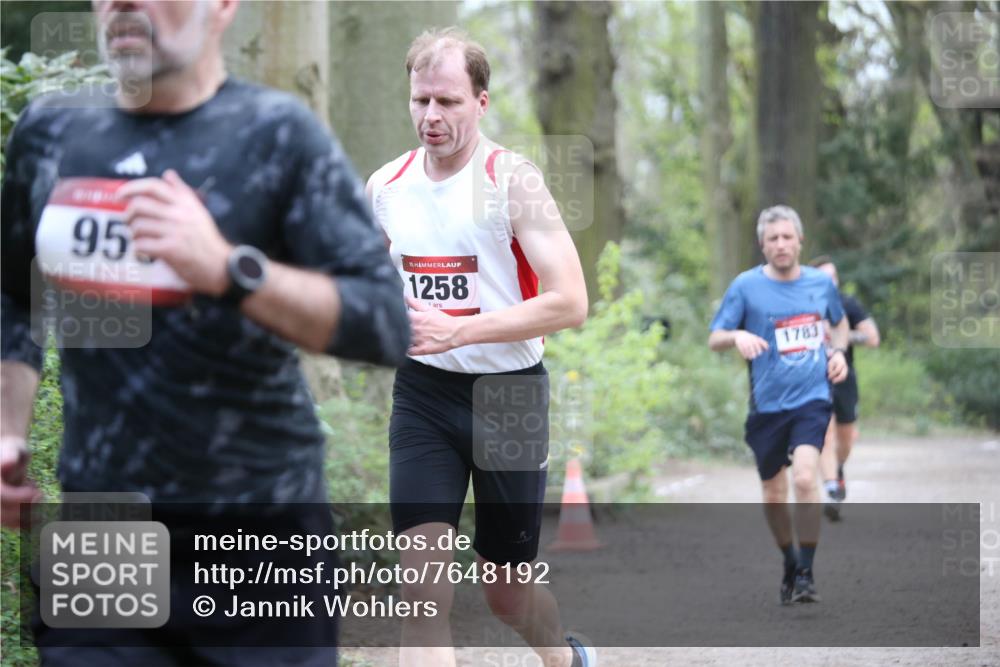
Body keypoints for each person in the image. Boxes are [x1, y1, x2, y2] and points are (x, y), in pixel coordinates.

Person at [1, 1, 409, 664]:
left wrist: (228, 268)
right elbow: (15, 295)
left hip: (259, 538)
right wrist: (7, 432)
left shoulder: (277, 134)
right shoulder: (52, 130)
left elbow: (384, 322)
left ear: (222, 7)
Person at [367, 28, 594, 667]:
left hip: (508, 397)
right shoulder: (385, 186)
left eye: (448, 101)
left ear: (482, 102)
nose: (431, 117)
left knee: (506, 593)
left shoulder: (511, 181)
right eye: (421, 101)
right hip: (424, 396)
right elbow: (369, 283)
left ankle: (563, 658)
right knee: (421, 593)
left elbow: (571, 301)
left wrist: (460, 330)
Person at [708, 205, 849, 605]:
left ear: (800, 240)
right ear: (762, 244)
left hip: (812, 399)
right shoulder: (745, 286)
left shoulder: (820, 284)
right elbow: (715, 337)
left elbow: (839, 322)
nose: (781, 244)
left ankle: (806, 572)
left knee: (804, 479)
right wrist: (736, 337)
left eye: (788, 237)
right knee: (773, 493)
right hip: (767, 406)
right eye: (773, 239)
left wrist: (838, 352)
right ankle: (789, 559)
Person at [809, 256, 880, 521]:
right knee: (825, 434)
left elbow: (872, 338)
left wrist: (839, 333)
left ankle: (837, 469)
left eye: (833, 276)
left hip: (844, 377)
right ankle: (832, 490)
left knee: (846, 438)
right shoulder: (804, 305)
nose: (830, 281)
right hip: (814, 378)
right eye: (824, 277)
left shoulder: (847, 304)